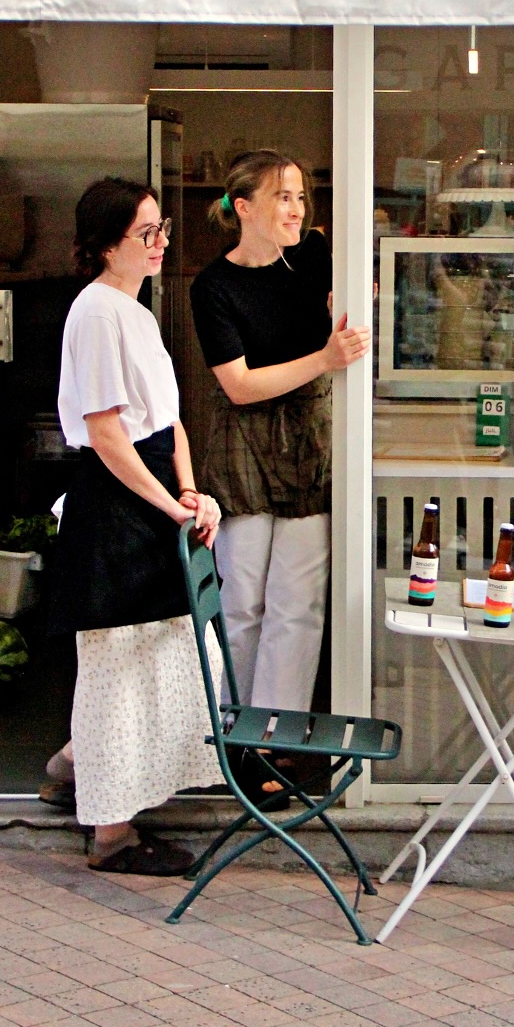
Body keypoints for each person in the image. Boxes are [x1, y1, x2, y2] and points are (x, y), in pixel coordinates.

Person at [43, 177, 225, 874]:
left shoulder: (136, 311)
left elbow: (170, 420)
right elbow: (106, 434)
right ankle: (112, 835)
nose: (159, 244)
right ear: (103, 245)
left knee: (172, 654)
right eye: (144, 234)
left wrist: (189, 490)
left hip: (148, 496)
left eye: (162, 230)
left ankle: (72, 763)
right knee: (119, 670)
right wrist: (170, 504)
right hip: (116, 504)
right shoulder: (96, 314)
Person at [188, 151, 370, 796]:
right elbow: (237, 386)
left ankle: (274, 743)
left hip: (311, 438)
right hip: (245, 441)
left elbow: (362, 302)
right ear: (244, 208)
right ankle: (223, 742)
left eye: (299, 195)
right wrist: (324, 357)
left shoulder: (318, 256)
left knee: (299, 605)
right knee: (241, 604)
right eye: (281, 197)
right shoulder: (212, 285)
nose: (296, 209)